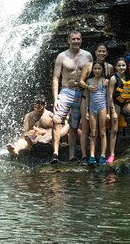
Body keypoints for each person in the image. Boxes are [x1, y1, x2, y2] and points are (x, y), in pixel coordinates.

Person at [51, 31, 93, 164]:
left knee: (74, 125)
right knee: (57, 120)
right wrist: (55, 98)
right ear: (68, 40)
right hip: (66, 91)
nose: (76, 41)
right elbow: (56, 78)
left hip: (81, 93)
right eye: (73, 39)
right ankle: (55, 153)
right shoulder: (62, 56)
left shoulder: (87, 56)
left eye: (78, 39)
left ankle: (72, 155)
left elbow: (92, 77)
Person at [84, 61, 110, 166]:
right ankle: (92, 156)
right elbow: (87, 97)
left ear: (102, 70)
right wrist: (86, 110)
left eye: (99, 69)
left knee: (103, 132)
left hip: (103, 107)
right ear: (92, 70)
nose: (97, 71)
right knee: (93, 133)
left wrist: (108, 112)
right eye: (95, 69)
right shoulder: (89, 81)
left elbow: (108, 97)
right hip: (92, 108)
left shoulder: (106, 81)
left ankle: (103, 156)